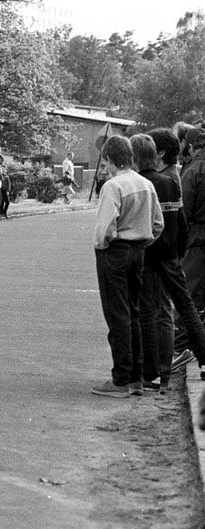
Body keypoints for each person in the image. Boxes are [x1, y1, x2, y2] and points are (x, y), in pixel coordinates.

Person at [91, 136, 163, 398]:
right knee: (133, 313)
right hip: (138, 250)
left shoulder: (113, 186)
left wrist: (104, 245)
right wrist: (142, 240)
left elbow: (104, 228)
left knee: (117, 314)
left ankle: (120, 377)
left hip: (116, 251)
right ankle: (136, 377)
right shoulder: (146, 184)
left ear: (110, 160)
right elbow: (158, 224)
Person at [132, 133, 201, 395]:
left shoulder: (147, 183)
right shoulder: (172, 180)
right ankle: (196, 359)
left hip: (152, 255)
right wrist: (178, 251)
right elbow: (181, 224)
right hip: (172, 254)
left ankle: (154, 372)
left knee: (151, 312)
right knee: (182, 306)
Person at [173, 124, 205, 377]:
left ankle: (181, 347)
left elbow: (183, 212)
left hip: (197, 240)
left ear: (192, 147)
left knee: (188, 293)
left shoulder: (194, 170)